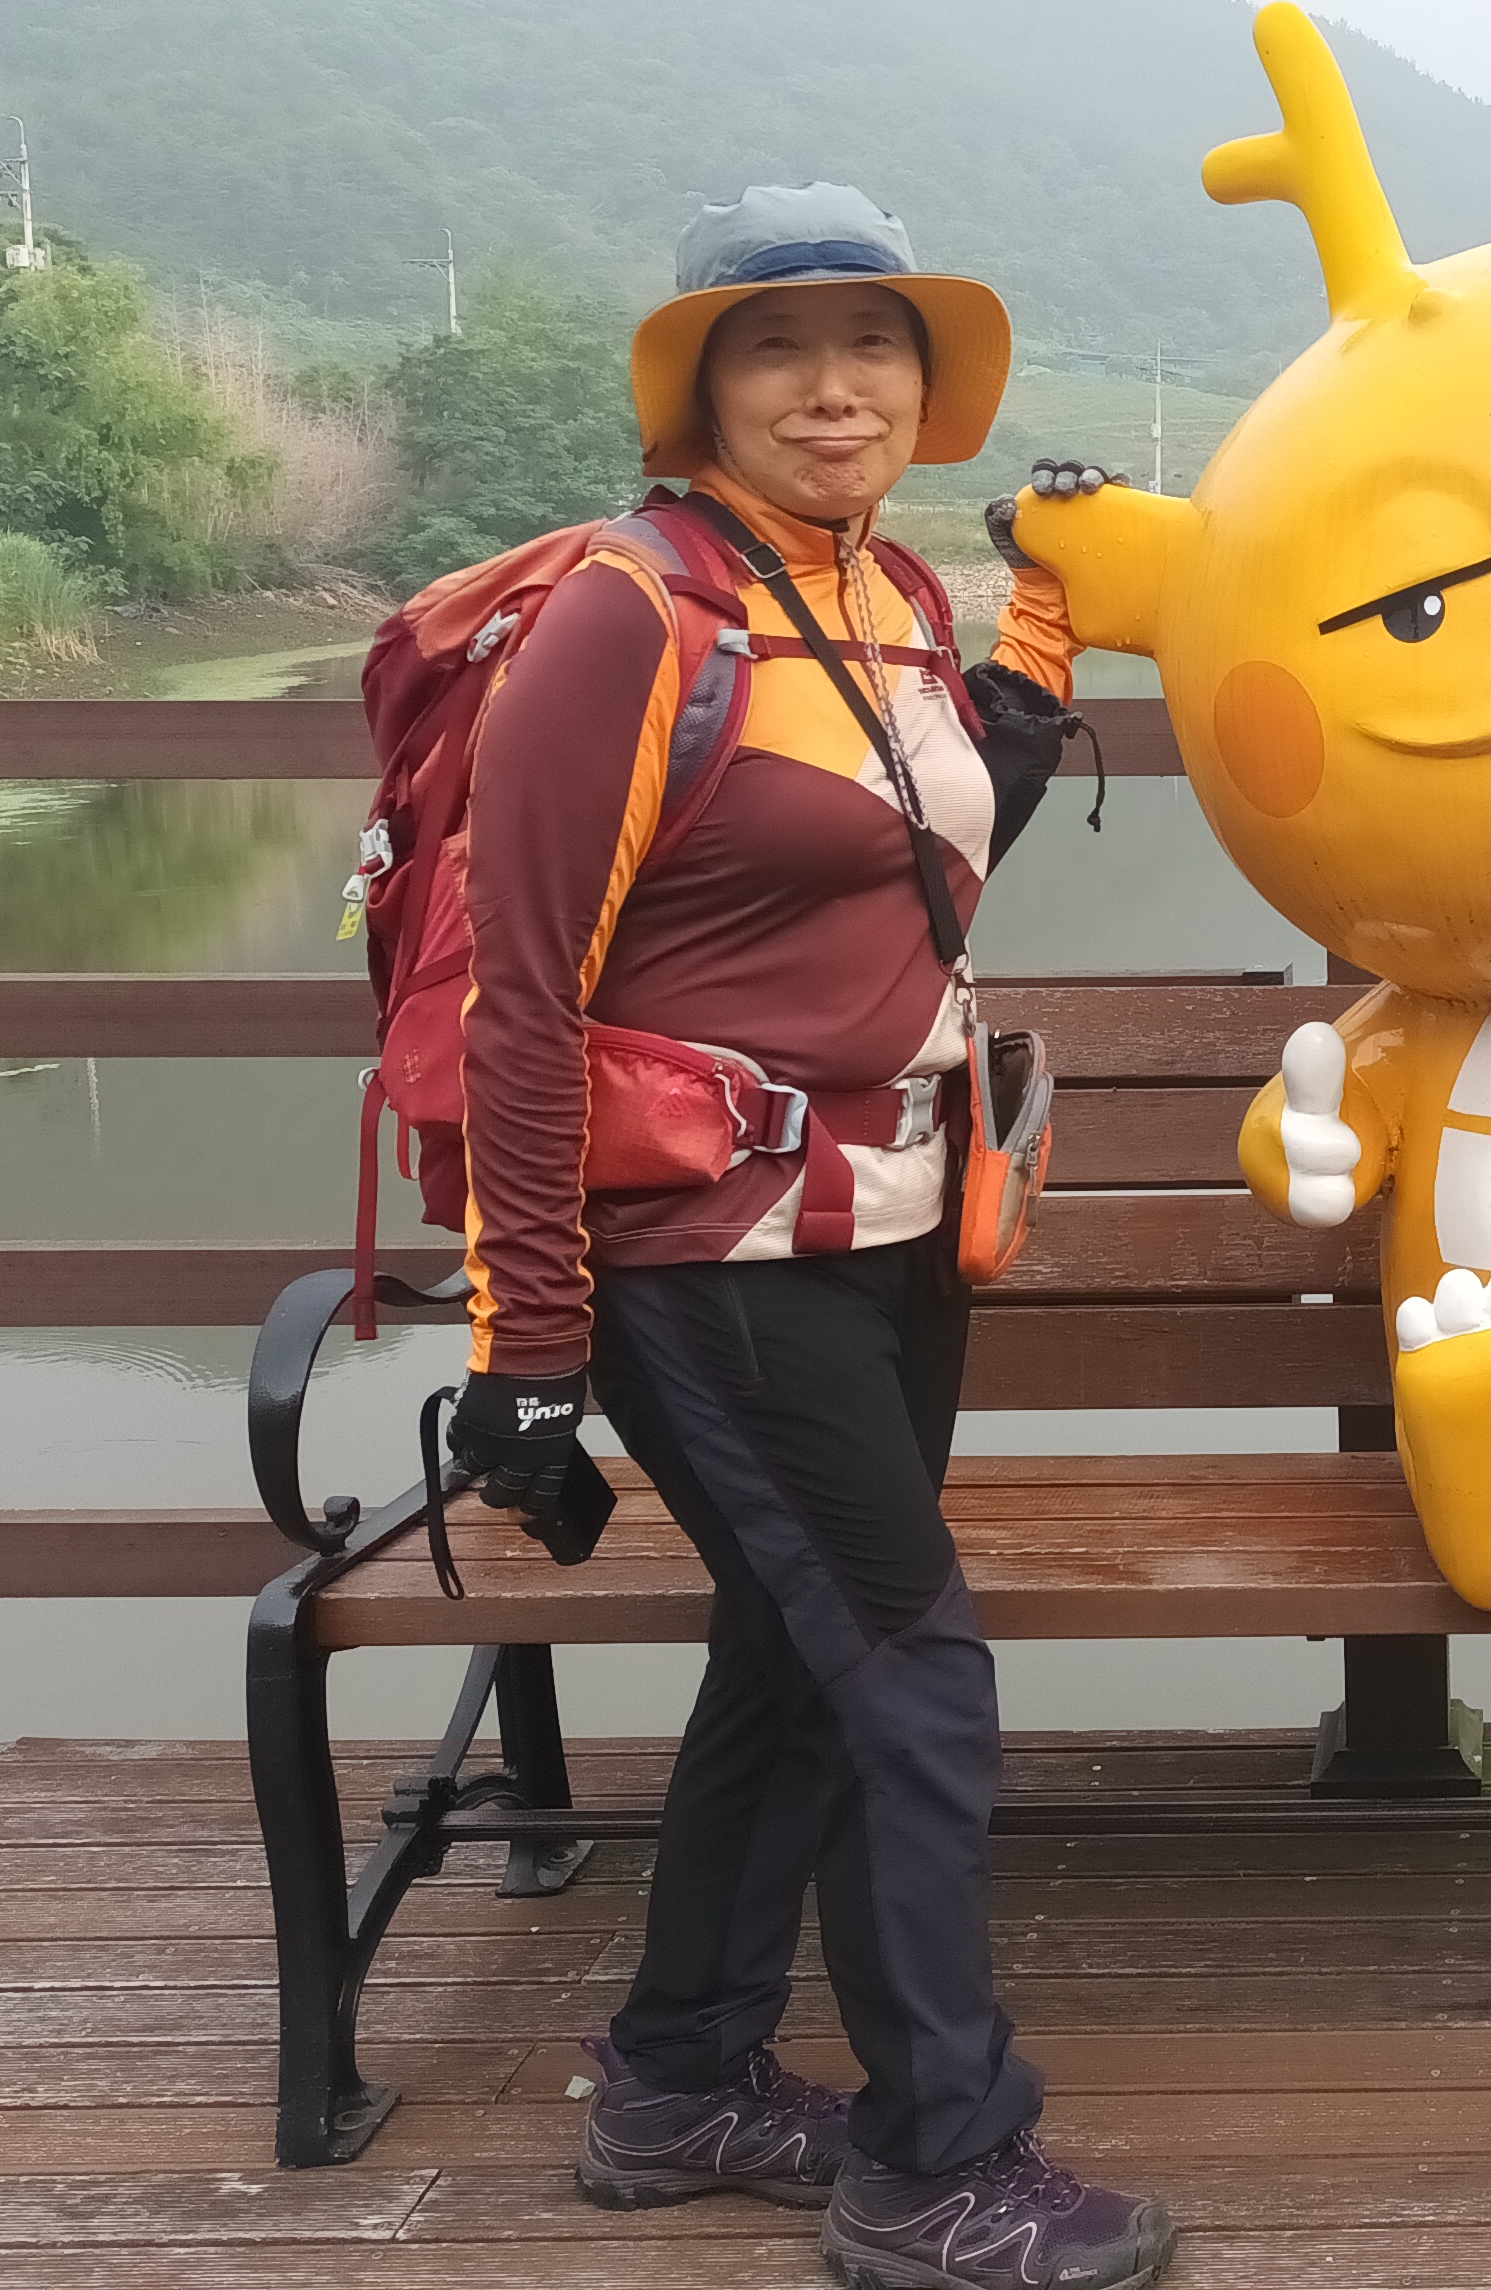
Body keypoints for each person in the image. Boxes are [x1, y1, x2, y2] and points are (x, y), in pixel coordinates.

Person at [443, 183, 1172, 2290]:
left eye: (873, 344)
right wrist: (527, 1347)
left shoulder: (890, 596)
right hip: (713, 1261)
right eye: (777, 346)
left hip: (895, 1233)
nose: (833, 385)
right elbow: (521, 1005)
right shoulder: (629, 616)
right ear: (702, 388)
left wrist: (1041, 629)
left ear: (924, 387)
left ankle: (679, 2082)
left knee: (798, 1654)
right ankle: (941, 2162)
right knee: (915, 1682)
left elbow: (916, 856)